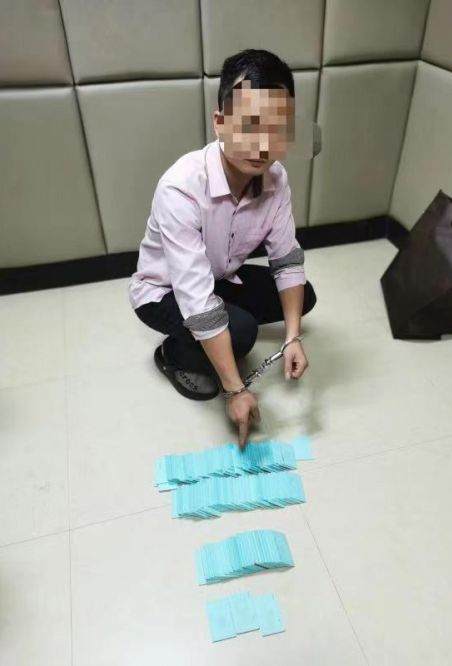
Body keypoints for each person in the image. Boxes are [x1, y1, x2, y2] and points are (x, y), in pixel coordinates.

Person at [128, 48, 317, 448]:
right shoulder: (180, 187)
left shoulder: (276, 179)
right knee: (241, 332)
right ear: (220, 122)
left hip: (218, 274)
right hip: (163, 291)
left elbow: (286, 259)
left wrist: (292, 338)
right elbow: (195, 299)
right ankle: (173, 355)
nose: (262, 145)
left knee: (304, 296)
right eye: (249, 125)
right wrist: (235, 390)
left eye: (276, 129)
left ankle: (225, 327)